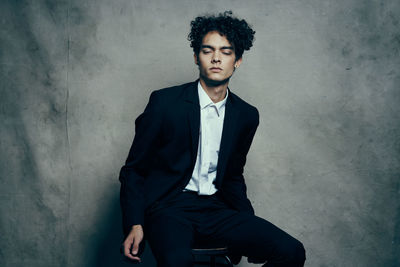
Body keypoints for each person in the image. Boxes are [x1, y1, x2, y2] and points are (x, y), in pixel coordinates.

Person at [119, 11, 306, 267]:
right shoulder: (165, 103)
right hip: (169, 208)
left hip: (217, 210)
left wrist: (248, 223)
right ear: (197, 57)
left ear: (238, 60)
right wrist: (135, 222)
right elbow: (134, 170)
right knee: (177, 262)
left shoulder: (246, 115)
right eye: (208, 51)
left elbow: (232, 176)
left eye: (226, 52)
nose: (216, 58)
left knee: (291, 251)